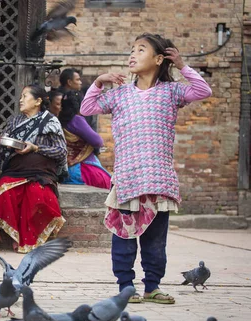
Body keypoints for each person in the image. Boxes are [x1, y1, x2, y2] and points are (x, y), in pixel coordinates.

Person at [80, 33, 212, 304]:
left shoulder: (172, 91)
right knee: (124, 237)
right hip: (128, 180)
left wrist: (183, 66)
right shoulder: (119, 95)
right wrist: (98, 82)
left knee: (155, 243)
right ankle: (126, 287)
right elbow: (87, 107)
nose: (133, 54)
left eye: (141, 50)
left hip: (158, 181)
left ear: (158, 59)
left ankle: (152, 286)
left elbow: (203, 91)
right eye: (132, 49)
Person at [0, 84, 67, 253]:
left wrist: (35, 148)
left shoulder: (51, 122)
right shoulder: (14, 121)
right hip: (15, 171)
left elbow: (61, 152)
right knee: (7, 192)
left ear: (38, 101)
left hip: (41, 172)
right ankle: (17, 237)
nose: (20, 100)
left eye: (25, 96)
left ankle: (31, 238)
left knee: (38, 194)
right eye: (21, 96)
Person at [58, 90, 111, 189]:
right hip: (83, 169)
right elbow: (98, 141)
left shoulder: (60, 120)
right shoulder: (76, 120)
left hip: (67, 170)